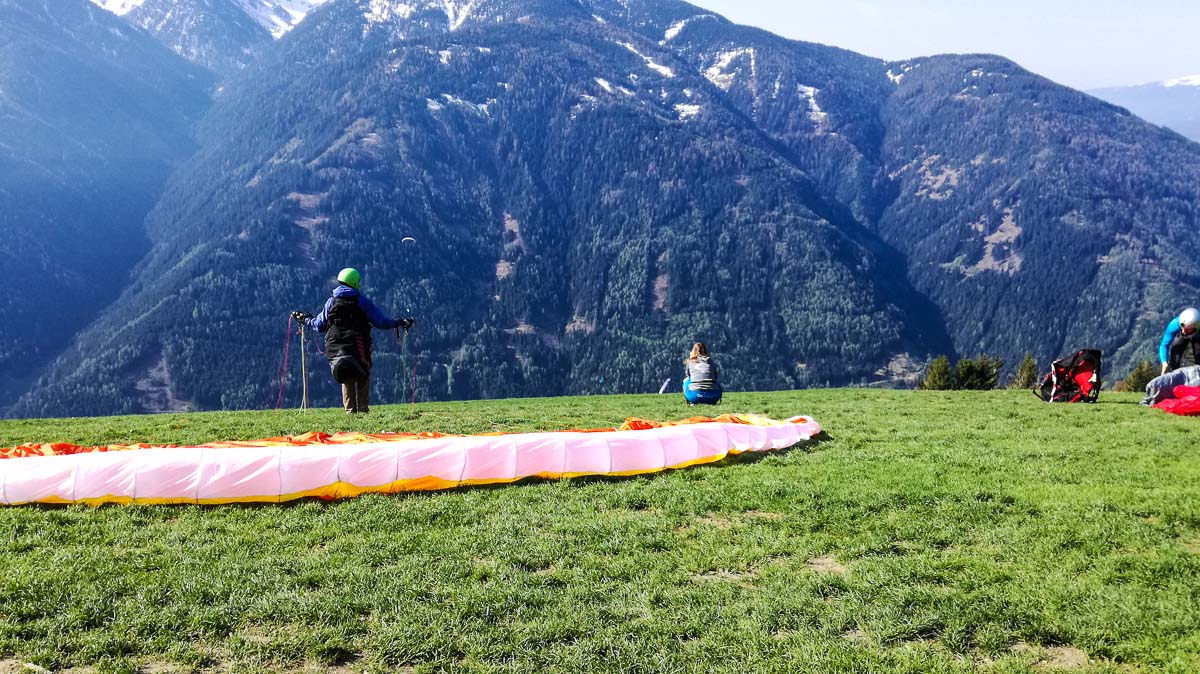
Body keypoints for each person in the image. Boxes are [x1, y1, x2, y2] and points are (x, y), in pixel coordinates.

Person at [293, 268, 413, 414]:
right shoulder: (362, 302)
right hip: (358, 344)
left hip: (335, 346)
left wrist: (306, 320)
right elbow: (381, 322)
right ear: (354, 282)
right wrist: (399, 322)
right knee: (363, 373)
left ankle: (350, 412)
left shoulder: (331, 302)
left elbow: (319, 325)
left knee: (346, 375)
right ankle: (362, 410)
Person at [1159, 307, 1200, 375]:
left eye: (1186, 329)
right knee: (1175, 351)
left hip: (1198, 336)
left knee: (1198, 354)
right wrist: (1164, 362)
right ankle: (1174, 372)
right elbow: (1164, 345)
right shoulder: (1175, 325)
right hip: (1190, 333)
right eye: (1182, 328)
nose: (1183, 331)